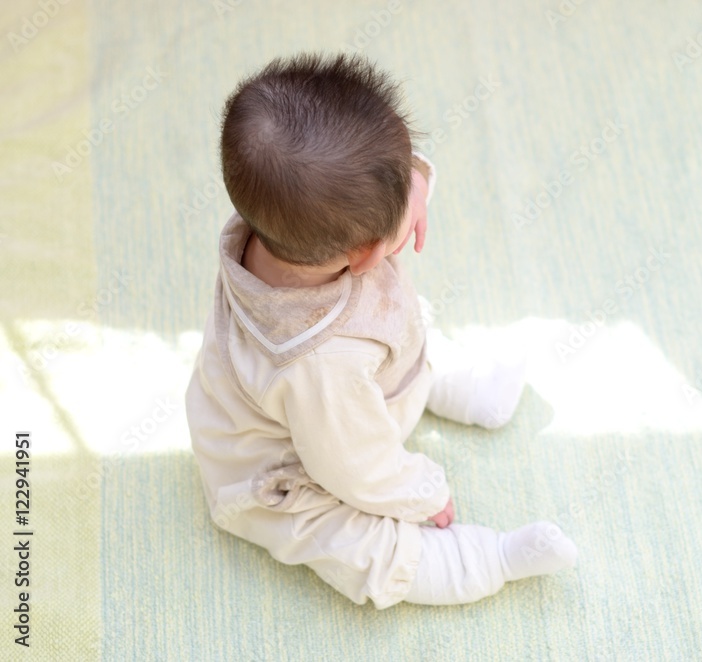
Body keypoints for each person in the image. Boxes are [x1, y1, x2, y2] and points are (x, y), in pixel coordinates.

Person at [185, 52, 577, 609]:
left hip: (345, 402)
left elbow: (388, 181)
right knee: (357, 549)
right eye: (406, 188)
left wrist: (412, 179)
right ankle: (485, 561)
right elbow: (355, 467)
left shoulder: (281, 220)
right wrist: (422, 493)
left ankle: (447, 386)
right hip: (287, 472)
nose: (417, 181)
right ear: (369, 252)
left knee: (399, 331)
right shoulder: (319, 362)